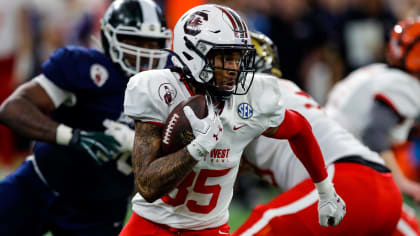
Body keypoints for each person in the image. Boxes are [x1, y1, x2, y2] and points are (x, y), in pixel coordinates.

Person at [121, 4, 345, 236]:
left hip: (209, 229)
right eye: (225, 58)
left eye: (238, 59)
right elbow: (147, 186)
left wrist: (326, 191)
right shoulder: (161, 90)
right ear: (193, 54)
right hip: (150, 225)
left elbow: (299, 128)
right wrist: (196, 149)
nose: (234, 69)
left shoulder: (252, 97)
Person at [0, 0, 172, 235]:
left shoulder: (171, 86)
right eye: (134, 41)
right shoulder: (85, 67)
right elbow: (13, 109)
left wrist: (139, 144)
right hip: (40, 183)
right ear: (110, 38)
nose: (144, 51)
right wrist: (73, 137)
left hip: (98, 210)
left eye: (152, 43)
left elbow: (188, 146)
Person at [234, 31, 418, 236]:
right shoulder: (277, 92)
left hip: (348, 181)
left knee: (266, 225)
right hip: (374, 185)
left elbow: (374, 133)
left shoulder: (249, 95)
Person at [325, 17, 420, 204]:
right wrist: (402, 183)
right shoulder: (405, 85)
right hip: (339, 164)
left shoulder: (377, 71)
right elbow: (374, 135)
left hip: (323, 153)